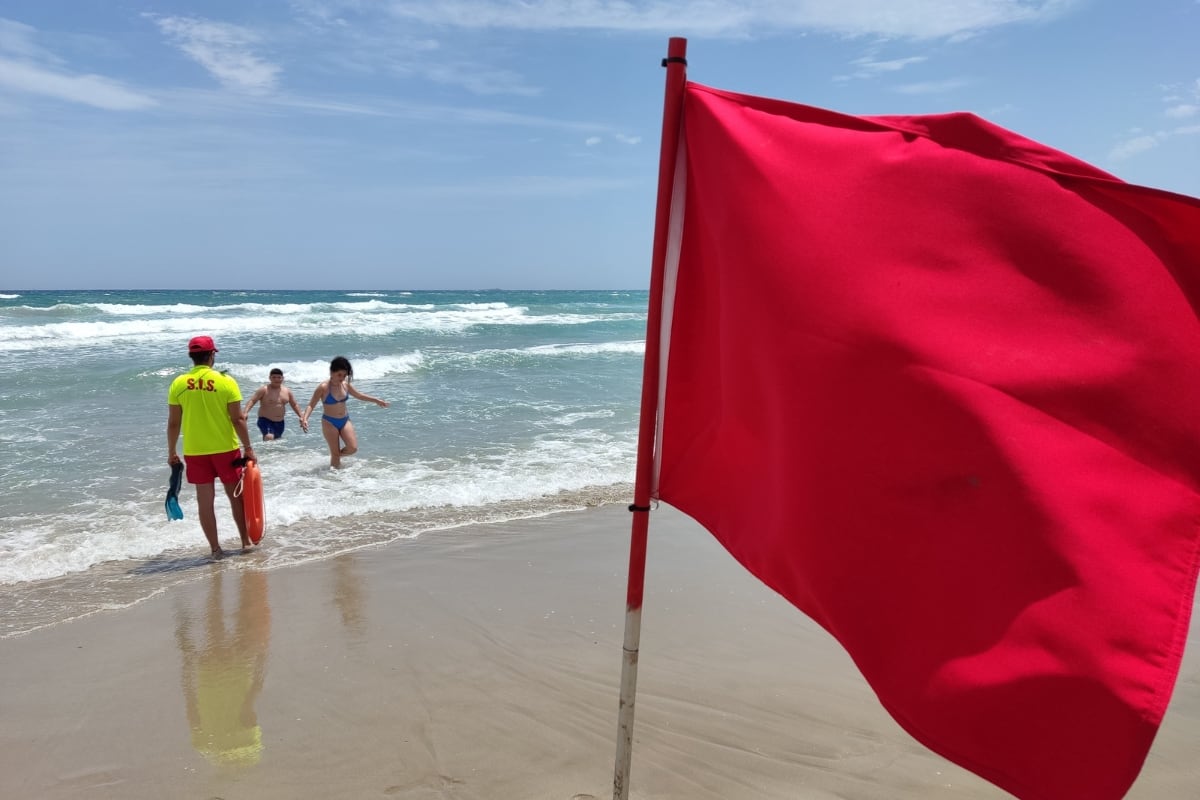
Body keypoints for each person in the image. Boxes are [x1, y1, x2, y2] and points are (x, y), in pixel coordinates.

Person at [167, 335, 257, 558]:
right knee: (236, 496)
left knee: (205, 502)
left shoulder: (178, 384)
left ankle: (216, 550)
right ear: (211, 355)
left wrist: (171, 452)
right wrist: (249, 448)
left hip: (195, 451)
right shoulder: (226, 382)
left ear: (191, 356)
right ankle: (245, 542)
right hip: (226, 448)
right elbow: (237, 419)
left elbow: (173, 423)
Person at [300, 355, 388, 468]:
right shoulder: (323, 387)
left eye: (344, 375)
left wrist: (376, 400)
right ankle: (334, 477)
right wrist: (305, 418)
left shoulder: (345, 385)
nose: (342, 378)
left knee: (353, 448)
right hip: (329, 422)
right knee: (335, 453)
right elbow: (311, 405)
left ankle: (335, 457)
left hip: (345, 420)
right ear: (332, 372)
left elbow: (359, 395)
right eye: (339, 375)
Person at [244, 368, 307, 440]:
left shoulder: (287, 391)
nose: (276, 379)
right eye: (274, 377)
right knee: (269, 437)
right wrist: (245, 412)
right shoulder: (264, 389)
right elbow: (252, 400)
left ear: (282, 378)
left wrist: (301, 416)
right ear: (270, 378)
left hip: (280, 422)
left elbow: (294, 404)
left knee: (276, 441)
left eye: (279, 377)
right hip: (265, 420)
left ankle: (267, 451)